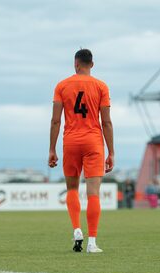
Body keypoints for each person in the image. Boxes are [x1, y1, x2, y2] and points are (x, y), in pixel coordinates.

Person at [48, 48, 114, 253]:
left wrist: (52, 148)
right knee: (93, 192)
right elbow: (107, 122)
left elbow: (56, 120)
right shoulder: (101, 86)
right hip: (93, 142)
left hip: (71, 142)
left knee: (72, 189)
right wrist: (111, 151)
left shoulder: (62, 85)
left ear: (75, 64)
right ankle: (92, 242)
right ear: (92, 64)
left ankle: (77, 229)